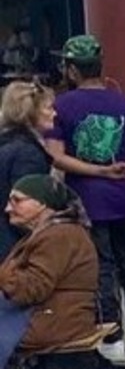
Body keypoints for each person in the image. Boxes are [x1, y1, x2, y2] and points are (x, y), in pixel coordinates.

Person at [48, 35, 125, 365]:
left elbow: (56, 157)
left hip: (85, 200)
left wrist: (95, 172)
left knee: (101, 268)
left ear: (71, 69)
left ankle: (110, 335)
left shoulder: (61, 106)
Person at [0, 175, 102, 369]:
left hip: (53, 326)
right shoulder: (49, 234)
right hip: (46, 321)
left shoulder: (59, 236)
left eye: (17, 200)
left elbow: (30, 290)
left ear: (42, 203)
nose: (8, 208)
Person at [0, 82, 54, 257]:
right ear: (31, 112)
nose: (55, 113)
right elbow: (24, 208)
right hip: (12, 246)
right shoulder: (28, 154)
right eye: (49, 108)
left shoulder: (8, 143)